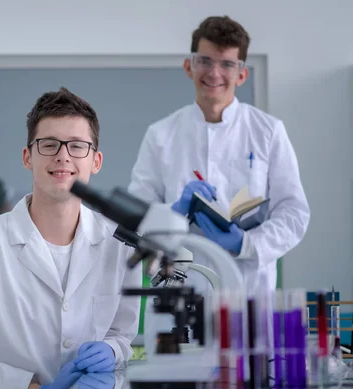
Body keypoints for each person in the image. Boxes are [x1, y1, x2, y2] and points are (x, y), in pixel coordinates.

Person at [0, 87, 141, 389]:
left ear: (95, 161)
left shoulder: (119, 242)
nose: (63, 155)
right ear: (28, 156)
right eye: (49, 144)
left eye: (77, 146)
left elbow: (123, 336)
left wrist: (112, 350)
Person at [128, 16, 310, 294]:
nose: (214, 73)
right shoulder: (160, 135)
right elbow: (137, 216)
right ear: (189, 66)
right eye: (205, 61)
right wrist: (173, 212)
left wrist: (246, 244)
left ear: (242, 73)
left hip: (249, 292)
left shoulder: (268, 132)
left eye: (227, 63)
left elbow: (294, 213)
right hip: (179, 290)